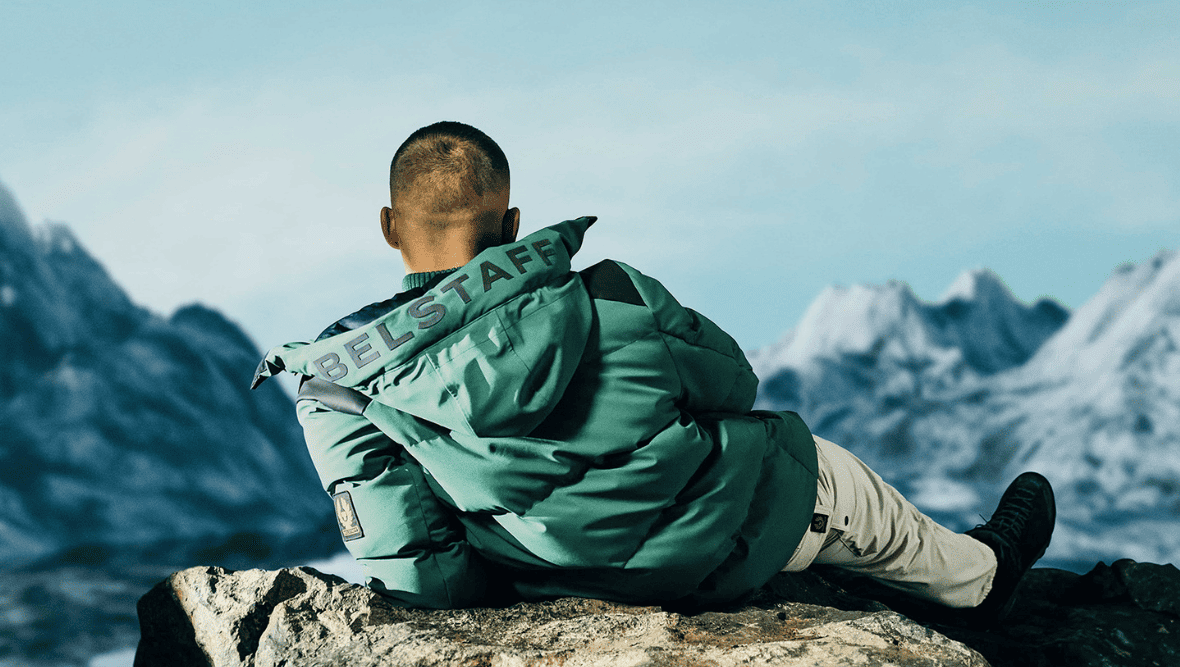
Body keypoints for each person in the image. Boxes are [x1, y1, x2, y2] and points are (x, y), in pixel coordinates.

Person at [251, 121, 1055, 621]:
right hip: (725, 544)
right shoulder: (611, 295)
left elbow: (413, 560)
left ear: (390, 227)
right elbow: (736, 386)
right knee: (819, 472)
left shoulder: (337, 382)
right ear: (516, 223)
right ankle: (980, 577)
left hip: (544, 580)